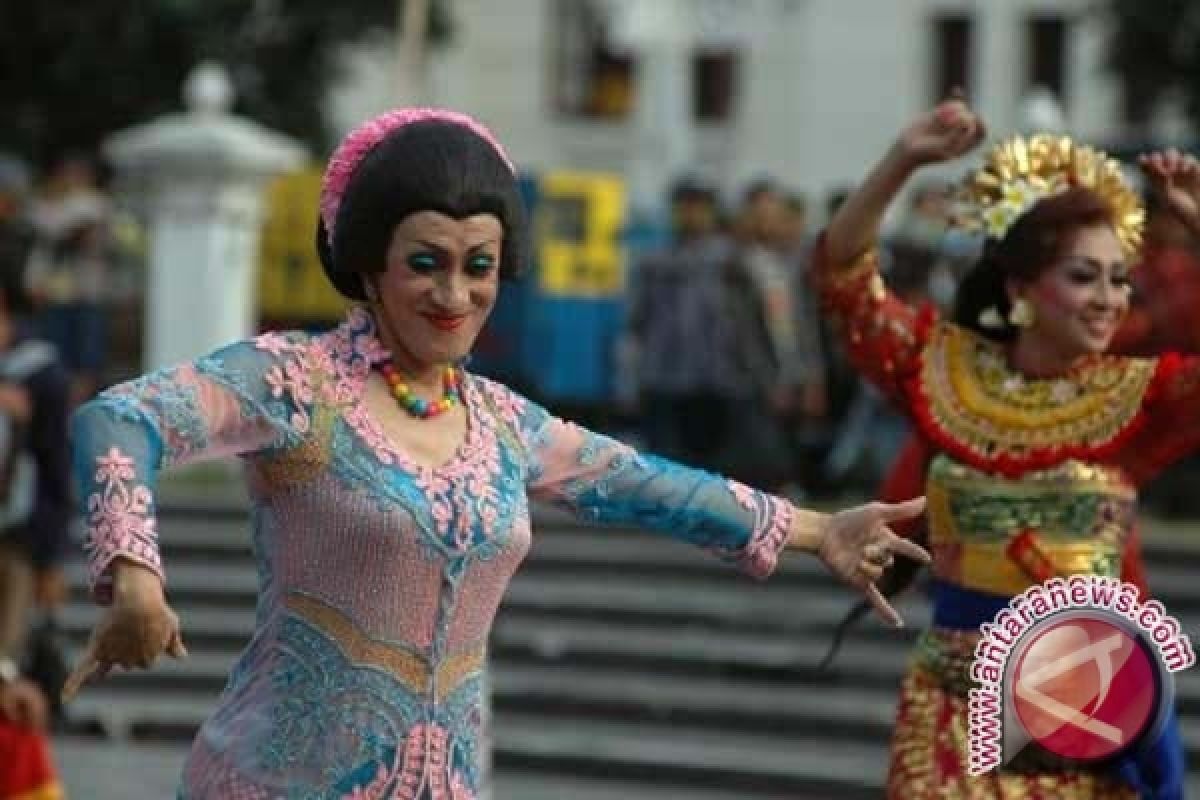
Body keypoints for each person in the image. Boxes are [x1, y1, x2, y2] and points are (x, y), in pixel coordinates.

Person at [62, 108, 928, 799]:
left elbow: (650, 485)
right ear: (367, 265)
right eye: (426, 263)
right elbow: (117, 420)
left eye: (478, 265)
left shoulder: (502, 424)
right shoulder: (295, 383)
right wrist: (134, 573)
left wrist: (820, 530)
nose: (454, 293)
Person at [813, 94, 1200, 798]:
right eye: (1084, 276)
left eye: (1119, 278)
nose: (1109, 299)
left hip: (1083, 710)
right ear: (1021, 289)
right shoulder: (943, 369)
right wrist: (903, 158)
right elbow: (845, 280)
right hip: (952, 712)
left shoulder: (1141, 396)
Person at [626, 175, 736, 470]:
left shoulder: (730, 261)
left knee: (710, 468)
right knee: (664, 467)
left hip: (715, 378)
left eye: (699, 207)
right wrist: (629, 379)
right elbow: (635, 322)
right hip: (663, 378)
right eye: (685, 206)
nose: (691, 215)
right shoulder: (654, 261)